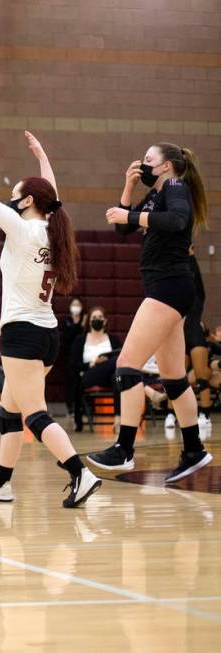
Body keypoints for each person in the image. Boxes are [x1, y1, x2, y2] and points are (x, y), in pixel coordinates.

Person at [0, 129, 101, 508]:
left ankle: (81, 472)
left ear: (27, 201)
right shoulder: (52, 230)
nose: (10, 197)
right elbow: (52, 196)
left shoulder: (23, 230)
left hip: (22, 334)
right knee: (8, 410)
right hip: (46, 335)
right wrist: (42, 156)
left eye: (16, 192)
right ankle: (1, 482)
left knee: (35, 415)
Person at [89, 142, 213, 482]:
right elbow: (123, 228)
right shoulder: (158, 193)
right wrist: (128, 189)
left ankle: (124, 449)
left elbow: (176, 221)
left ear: (168, 166)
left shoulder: (175, 187)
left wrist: (129, 214)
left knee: (127, 367)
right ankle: (193, 451)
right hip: (169, 287)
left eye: (148, 160)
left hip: (169, 286)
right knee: (173, 379)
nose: (142, 164)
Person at [70, 306, 122, 432]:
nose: (97, 320)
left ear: (105, 321)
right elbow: (74, 364)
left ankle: (118, 419)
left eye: (100, 317)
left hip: (108, 377)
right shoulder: (80, 339)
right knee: (118, 360)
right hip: (88, 375)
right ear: (89, 321)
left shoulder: (113, 339)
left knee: (116, 377)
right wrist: (93, 362)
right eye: (94, 317)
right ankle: (146, 388)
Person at [181, 248, 212, 432]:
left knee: (201, 377)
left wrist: (191, 256)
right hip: (182, 338)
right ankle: (171, 415)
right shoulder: (177, 300)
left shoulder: (197, 298)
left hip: (196, 336)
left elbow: (198, 283)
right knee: (178, 380)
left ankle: (205, 414)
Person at [60, 296, 86, 413]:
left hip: (83, 355)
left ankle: (83, 407)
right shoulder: (66, 321)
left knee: (82, 381)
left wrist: (81, 325)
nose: (76, 307)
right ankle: (70, 406)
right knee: (70, 381)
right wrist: (76, 325)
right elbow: (65, 338)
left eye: (78, 305)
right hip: (69, 356)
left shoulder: (85, 320)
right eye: (74, 305)